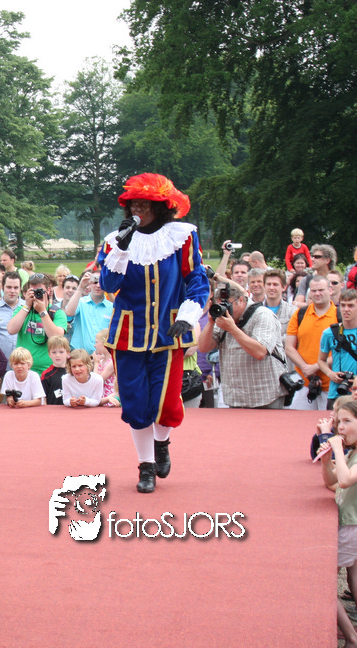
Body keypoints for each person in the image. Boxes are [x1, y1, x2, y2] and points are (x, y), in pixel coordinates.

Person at [98, 173, 209, 493]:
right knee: (135, 402)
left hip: (169, 331)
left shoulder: (182, 237)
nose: (138, 209)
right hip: (127, 334)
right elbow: (108, 285)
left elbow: (196, 279)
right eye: (134, 204)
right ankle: (145, 466)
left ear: (161, 208)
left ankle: (162, 443)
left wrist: (188, 316)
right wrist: (121, 249)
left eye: (145, 205)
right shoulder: (114, 241)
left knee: (166, 401)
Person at [197, 281, 287, 409]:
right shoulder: (224, 318)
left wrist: (232, 328)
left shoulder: (263, 315)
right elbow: (203, 347)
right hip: (236, 398)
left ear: (241, 300)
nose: (225, 309)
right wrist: (211, 323)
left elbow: (260, 352)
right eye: (220, 304)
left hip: (265, 396)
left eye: (228, 304)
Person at [317, 399, 357, 647]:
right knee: (353, 575)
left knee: (324, 583)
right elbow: (332, 483)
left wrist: (338, 450)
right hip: (350, 522)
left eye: (347, 421)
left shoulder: (349, 453)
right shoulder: (352, 452)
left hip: (351, 525)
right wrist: (326, 460)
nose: (340, 427)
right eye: (338, 421)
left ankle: (351, 637)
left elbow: (344, 481)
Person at [286, 275, 339, 410]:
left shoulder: (339, 316)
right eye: (314, 291)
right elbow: (289, 347)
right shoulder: (300, 314)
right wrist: (305, 367)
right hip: (304, 383)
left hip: (332, 385)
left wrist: (316, 367)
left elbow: (343, 351)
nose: (317, 294)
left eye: (321, 290)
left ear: (330, 290)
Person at [8, 273, 68, 374]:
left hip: (49, 372)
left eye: (40, 291)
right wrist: (27, 306)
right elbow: (11, 330)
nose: (36, 294)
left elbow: (56, 337)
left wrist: (43, 312)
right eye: (33, 291)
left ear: (48, 290)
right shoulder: (22, 310)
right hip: (24, 371)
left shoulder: (57, 313)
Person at [319, 289, 357, 408]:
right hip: (337, 391)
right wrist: (330, 373)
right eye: (343, 305)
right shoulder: (329, 333)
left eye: (351, 306)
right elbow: (321, 360)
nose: (346, 309)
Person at [63, 271, 113, 353]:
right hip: (80, 355)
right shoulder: (80, 302)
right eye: (95, 282)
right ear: (90, 284)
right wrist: (81, 286)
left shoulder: (111, 307)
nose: (98, 285)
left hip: (102, 355)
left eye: (101, 282)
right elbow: (68, 312)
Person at [0, 271, 22, 359]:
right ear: (2, 288)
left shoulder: (27, 308)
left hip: (23, 361)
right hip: (0, 361)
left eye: (16, 288)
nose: (12, 291)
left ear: (20, 289)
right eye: (9, 287)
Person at [41, 335, 70, 405]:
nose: (57, 355)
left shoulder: (73, 372)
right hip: (53, 408)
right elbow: (43, 397)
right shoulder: (46, 374)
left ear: (68, 353)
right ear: (49, 354)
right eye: (54, 352)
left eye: (61, 352)